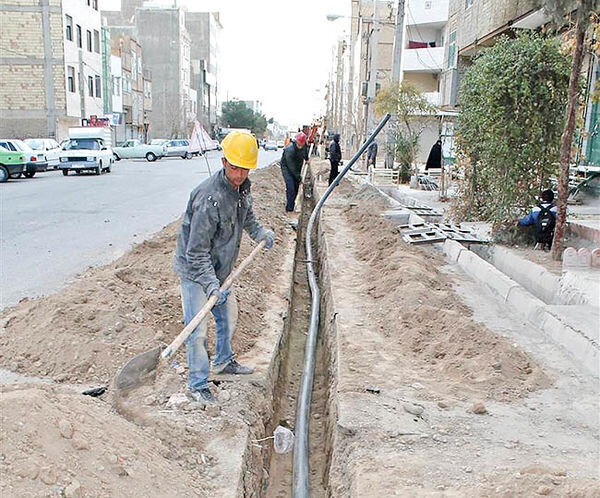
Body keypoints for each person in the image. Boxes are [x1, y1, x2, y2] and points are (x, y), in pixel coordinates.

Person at [173, 131, 275, 403]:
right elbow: (196, 251)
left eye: (244, 169)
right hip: (196, 272)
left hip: (220, 269)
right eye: (234, 168)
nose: (239, 174)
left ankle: (222, 361)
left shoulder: (241, 189)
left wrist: (261, 233)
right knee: (197, 330)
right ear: (223, 161)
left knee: (228, 315)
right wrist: (210, 285)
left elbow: (247, 217)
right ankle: (196, 383)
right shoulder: (210, 199)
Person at [280, 131, 307, 212]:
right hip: (287, 168)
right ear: (296, 141)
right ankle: (289, 209)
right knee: (290, 187)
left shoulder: (303, 146)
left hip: (297, 167)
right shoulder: (289, 149)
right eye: (299, 143)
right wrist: (299, 178)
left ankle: (294, 203)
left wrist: (307, 159)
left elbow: (305, 152)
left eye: (302, 144)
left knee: (296, 187)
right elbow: (291, 167)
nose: (301, 145)